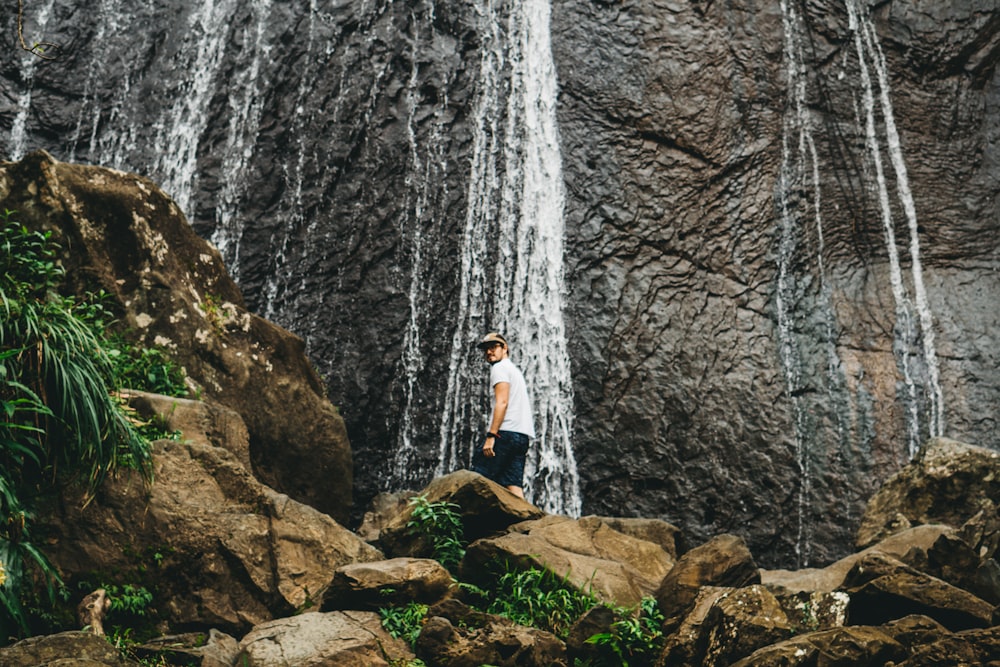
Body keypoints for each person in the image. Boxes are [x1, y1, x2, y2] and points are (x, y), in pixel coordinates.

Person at [471, 332, 536, 499]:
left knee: (478, 477)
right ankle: (531, 524)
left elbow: (502, 402)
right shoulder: (514, 371)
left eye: (494, 347)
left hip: (505, 434)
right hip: (521, 437)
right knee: (513, 487)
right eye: (486, 349)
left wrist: (491, 435)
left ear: (505, 348)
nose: (489, 352)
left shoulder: (499, 368)